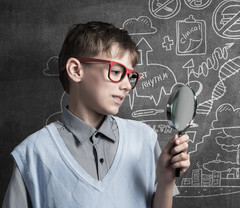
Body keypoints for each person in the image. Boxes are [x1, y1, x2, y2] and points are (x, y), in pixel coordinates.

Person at [2, 21, 191, 208]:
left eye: (130, 76)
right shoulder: (33, 154)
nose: (126, 85)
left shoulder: (144, 138)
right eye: (116, 71)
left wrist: (166, 181)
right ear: (76, 70)